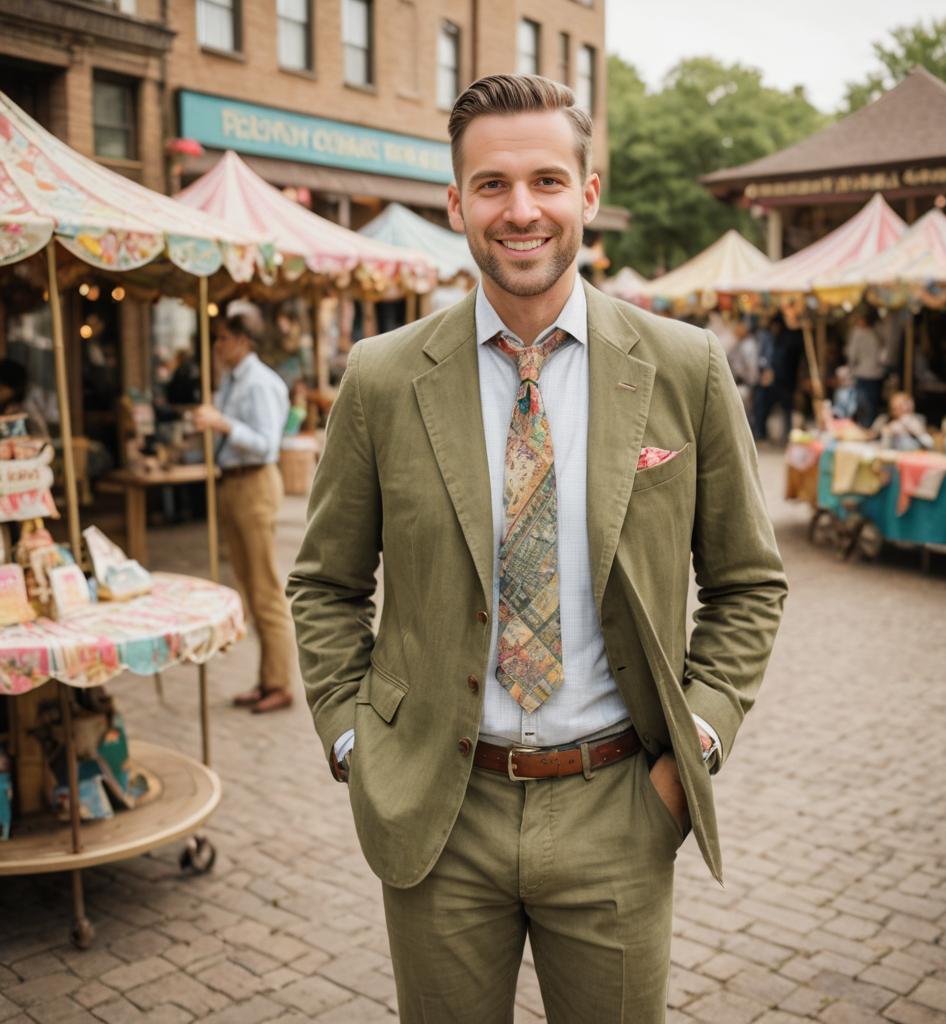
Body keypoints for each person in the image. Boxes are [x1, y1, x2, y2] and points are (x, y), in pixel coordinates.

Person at [288, 74, 786, 1022]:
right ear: (455, 203)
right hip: (436, 807)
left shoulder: (685, 366)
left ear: (589, 194)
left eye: (548, 181)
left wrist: (695, 752)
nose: (522, 211)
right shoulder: (383, 378)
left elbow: (750, 583)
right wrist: (358, 745)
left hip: (620, 807)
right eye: (492, 185)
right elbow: (325, 582)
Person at [194, 311, 296, 714]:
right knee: (249, 586)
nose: (217, 347)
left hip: (254, 482)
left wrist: (222, 425)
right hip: (233, 481)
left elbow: (266, 442)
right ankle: (267, 677)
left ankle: (280, 682)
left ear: (242, 340)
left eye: (222, 339)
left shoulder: (259, 383)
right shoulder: (232, 381)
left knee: (266, 588)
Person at [846, 307, 885, 428]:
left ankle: (865, 427)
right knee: (870, 403)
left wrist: (851, 368)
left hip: (864, 373)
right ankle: (867, 427)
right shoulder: (878, 331)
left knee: (864, 404)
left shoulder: (859, 332)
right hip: (874, 373)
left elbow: (852, 354)